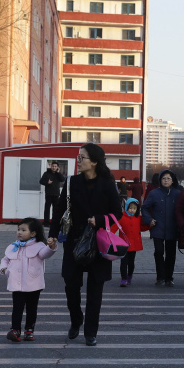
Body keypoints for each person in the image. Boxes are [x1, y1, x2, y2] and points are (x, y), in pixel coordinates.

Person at [49, 143, 122, 347]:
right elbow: (59, 210)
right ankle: (76, 319)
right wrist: (53, 235)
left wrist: (98, 219)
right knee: (71, 284)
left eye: (82, 157)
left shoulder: (108, 183)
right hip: (74, 241)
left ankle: (90, 331)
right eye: (78, 157)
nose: (78, 161)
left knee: (95, 290)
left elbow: (118, 213)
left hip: (99, 242)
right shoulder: (72, 182)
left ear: (95, 162)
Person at [0, 217, 57, 342]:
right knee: (17, 308)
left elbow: (45, 254)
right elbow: (5, 259)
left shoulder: (39, 246)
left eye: (23, 230)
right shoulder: (14, 246)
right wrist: (4, 269)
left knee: (32, 309)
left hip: (33, 284)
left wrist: (51, 247)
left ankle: (29, 330)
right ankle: (15, 330)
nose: (19, 232)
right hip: (16, 284)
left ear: (33, 233)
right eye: (18, 229)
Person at [142, 169, 181, 286]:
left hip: (172, 228)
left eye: (168, 178)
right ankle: (160, 277)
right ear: (160, 180)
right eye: (163, 178)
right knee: (158, 252)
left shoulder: (177, 193)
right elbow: (144, 208)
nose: (166, 180)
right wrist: (149, 220)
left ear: (172, 180)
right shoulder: (154, 193)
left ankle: (169, 277)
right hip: (157, 227)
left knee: (171, 254)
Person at [115, 198, 150, 287]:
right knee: (123, 262)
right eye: (130, 208)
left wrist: (150, 225)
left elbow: (142, 227)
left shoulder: (138, 218)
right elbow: (114, 226)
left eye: (134, 208)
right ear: (127, 208)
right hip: (123, 244)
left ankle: (129, 275)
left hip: (133, 245)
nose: (132, 210)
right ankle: (123, 278)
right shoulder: (122, 217)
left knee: (131, 262)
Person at [39, 161, 65, 226]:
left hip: (56, 194)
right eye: (53, 166)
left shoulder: (58, 174)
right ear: (51, 166)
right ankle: (46, 223)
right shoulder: (46, 173)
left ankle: (54, 222)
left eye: (55, 166)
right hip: (48, 194)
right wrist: (47, 182)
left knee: (55, 210)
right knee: (47, 209)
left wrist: (58, 173)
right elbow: (41, 181)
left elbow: (63, 179)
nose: (54, 167)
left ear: (57, 167)